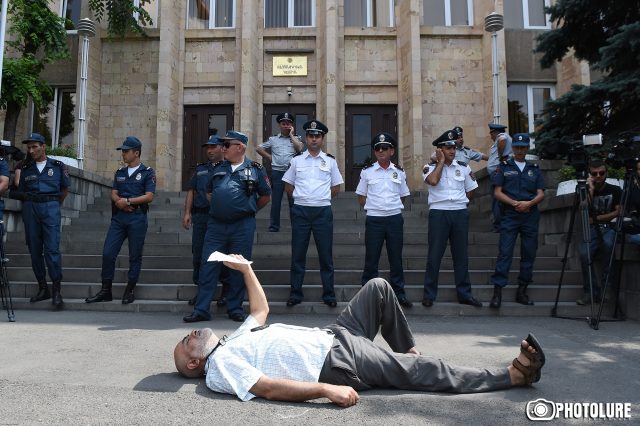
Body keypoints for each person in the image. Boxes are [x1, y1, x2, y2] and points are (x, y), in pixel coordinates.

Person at [173, 255, 546, 407]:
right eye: (186, 343)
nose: (191, 335)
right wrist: (324, 389)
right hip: (334, 360)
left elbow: (261, 310)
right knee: (425, 373)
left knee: (379, 288)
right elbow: (267, 388)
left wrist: (246, 270)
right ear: (193, 364)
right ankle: (512, 376)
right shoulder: (220, 368)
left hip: (334, 335)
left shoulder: (232, 340)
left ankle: (406, 356)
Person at [183, 131, 271, 323]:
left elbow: (265, 196)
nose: (222, 149)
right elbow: (208, 193)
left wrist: (247, 209)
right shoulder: (217, 168)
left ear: (239, 147)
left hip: (242, 225)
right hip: (215, 225)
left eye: (226, 145)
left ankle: (235, 308)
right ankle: (201, 309)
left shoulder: (255, 169)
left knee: (238, 267)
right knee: (208, 266)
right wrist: (222, 207)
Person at [85, 137, 156, 305]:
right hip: (119, 217)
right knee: (108, 253)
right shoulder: (120, 172)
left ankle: (129, 289)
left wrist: (129, 201)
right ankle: (105, 290)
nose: (123, 154)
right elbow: (114, 192)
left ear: (136, 152)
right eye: (122, 151)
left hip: (137, 217)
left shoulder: (147, 172)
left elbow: (149, 196)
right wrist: (121, 203)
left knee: (134, 255)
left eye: (126, 151)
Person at [282, 120, 344, 307]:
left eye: (317, 136)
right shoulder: (296, 161)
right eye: (310, 135)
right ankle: (295, 293)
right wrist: (302, 198)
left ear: (322, 139)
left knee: (326, 255)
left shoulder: (330, 161)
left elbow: (336, 187)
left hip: (322, 211)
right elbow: (288, 186)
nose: (314, 138)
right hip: (301, 210)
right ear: (306, 138)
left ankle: (329, 294)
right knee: (298, 255)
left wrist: (321, 198)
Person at [421, 130, 482, 308]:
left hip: (459, 213)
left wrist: (460, 203)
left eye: (453, 147)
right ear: (439, 150)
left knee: (461, 256)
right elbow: (432, 181)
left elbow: (471, 190)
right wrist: (440, 162)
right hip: (439, 213)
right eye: (448, 148)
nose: (452, 151)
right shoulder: (429, 167)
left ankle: (465, 294)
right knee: (434, 256)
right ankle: (429, 295)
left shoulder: (463, 167)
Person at [355, 132, 412, 308]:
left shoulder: (399, 172)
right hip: (375, 219)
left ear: (392, 151)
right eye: (377, 148)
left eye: (385, 148)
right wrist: (375, 208)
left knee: (396, 258)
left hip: (394, 218)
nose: (381, 151)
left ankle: (399, 294)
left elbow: (403, 196)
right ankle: (367, 294)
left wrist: (390, 208)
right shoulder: (367, 172)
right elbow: (362, 197)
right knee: (371, 258)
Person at [489, 134, 545, 308]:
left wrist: (529, 203)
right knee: (505, 253)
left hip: (530, 215)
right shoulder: (504, 167)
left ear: (527, 148)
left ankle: (522, 290)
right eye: (517, 147)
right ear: (513, 148)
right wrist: (515, 203)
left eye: (523, 147)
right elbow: (497, 192)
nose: (520, 150)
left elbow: (541, 193)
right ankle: (497, 292)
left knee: (528, 253)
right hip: (510, 215)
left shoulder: (534, 169)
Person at [19, 132, 70, 307]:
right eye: (29, 147)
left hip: (50, 207)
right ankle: (43, 288)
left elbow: (64, 189)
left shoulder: (57, 166)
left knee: (52, 249)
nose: (31, 150)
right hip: (31, 208)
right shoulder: (26, 169)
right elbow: (22, 190)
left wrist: (53, 205)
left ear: (43, 146)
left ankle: (57, 291)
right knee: (34, 249)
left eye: (34, 147)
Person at [182, 135, 230, 306]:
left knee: (221, 255)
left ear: (222, 148)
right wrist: (187, 213)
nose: (209, 150)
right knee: (199, 254)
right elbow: (191, 190)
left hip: (219, 217)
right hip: (201, 216)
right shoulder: (200, 168)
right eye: (207, 147)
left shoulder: (229, 167)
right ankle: (201, 292)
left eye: (213, 147)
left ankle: (226, 291)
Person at [576, 161, 621, 305]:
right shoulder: (584, 190)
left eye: (601, 173)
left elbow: (619, 212)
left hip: (610, 228)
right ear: (590, 175)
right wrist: (590, 190)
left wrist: (596, 219)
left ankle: (607, 288)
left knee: (608, 246)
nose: (598, 176)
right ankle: (590, 292)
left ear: (606, 173)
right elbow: (582, 209)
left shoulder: (615, 190)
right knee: (584, 254)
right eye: (594, 174)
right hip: (592, 230)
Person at [256, 112, 304, 232]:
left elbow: (300, 148)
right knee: (276, 201)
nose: (286, 126)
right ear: (279, 125)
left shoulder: (296, 138)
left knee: (293, 201)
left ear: (291, 125)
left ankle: (296, 226)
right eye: (283, 123)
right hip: (277, 173)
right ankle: (274, 226)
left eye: (288, 124)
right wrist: (270, 157)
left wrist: (292, 135)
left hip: (291, 174)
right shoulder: (273, 139)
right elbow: (258, 148)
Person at [487, 123, 513, 232]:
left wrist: (500, 157)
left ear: (495, 132)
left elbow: (502, 140)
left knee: (497, 199)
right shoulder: (504, 137)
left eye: (491, 133)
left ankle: (499, 225)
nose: (491, 136)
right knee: (497, 198)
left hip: (499, 172)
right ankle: (500, 224)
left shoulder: (501, 136)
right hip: (498, 172)